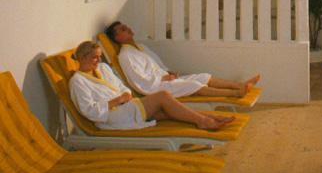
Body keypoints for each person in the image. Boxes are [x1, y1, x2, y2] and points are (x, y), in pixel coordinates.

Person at [69, 41, 234, 131]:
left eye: (99, 56)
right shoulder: (78, 81)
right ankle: (205, 120)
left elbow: (121, 86)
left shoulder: (103, 68)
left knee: (170, 111)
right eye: (94, 57)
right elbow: (89, 110)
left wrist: (126, 94)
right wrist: (117, 101)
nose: (99, 60)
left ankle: (208, 118)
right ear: (82, 58)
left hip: (127, 105)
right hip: (113, 116)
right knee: (163, 96)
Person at [105, 21, 260, 98]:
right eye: (123, 30)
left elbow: (157, 64)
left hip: (165, 80)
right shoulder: (125, 56)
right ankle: (236, 93)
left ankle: (239, 85)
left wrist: (168, 72)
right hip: (155, 88)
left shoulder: (140, 47)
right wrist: (163, 78)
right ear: (117, 38)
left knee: (203, 76)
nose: (128, 29)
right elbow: (138, 81)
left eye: (126, 27)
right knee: (193, 84)